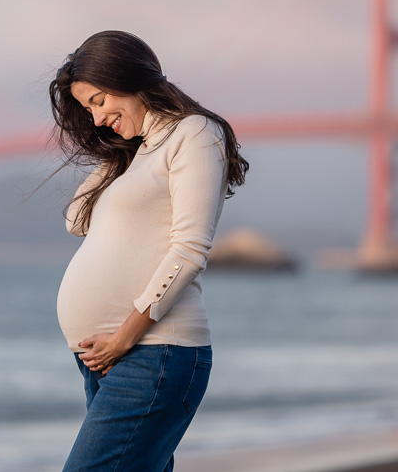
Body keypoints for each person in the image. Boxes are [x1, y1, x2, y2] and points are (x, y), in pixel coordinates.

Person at [49, 30, 249, 471]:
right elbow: (76, 219)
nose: (97, 118)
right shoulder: (139, 153)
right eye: (87, 109)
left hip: (152, 352)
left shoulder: (194, 133)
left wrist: (123, 338)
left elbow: (191, 249)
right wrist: (118, 151)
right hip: (110, 360)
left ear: (127, 75)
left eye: (99, 101)